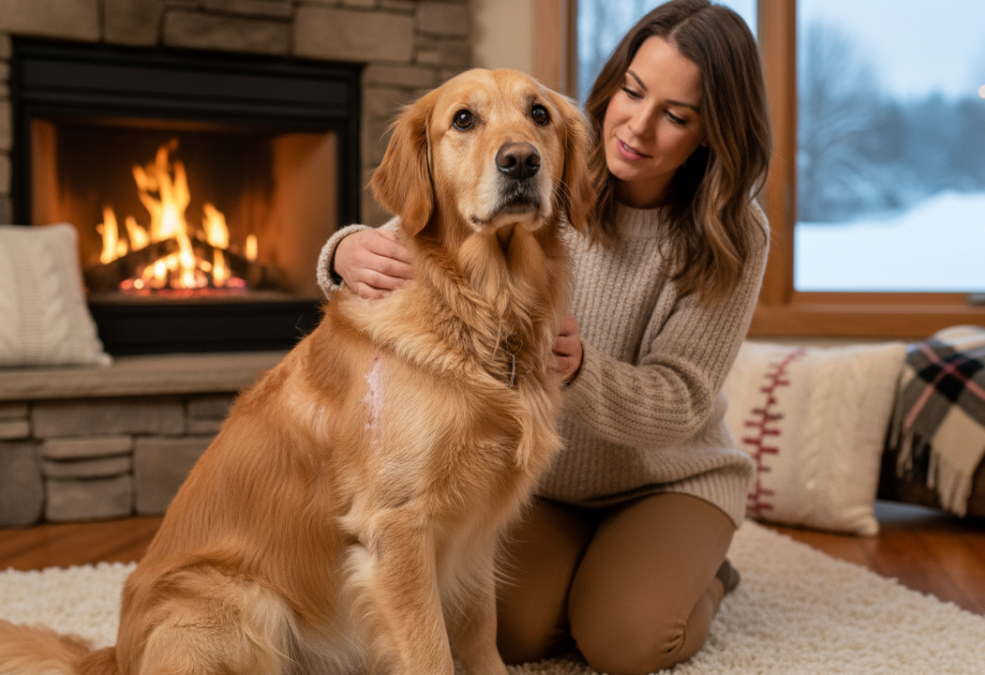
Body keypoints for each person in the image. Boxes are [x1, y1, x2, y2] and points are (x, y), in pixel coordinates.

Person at [316, 1, 771, 673]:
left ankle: (704, 574)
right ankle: (601, 572)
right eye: (633, 93)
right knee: (503, 634)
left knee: (624, 641)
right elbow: (414, 232)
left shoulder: (734, 233)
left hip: (666, 479)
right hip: (546, 482)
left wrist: (582, 371)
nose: (638, 128)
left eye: (676, 115)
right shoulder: (545, 160)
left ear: (713, 134)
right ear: (613, 82)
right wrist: (345, 251)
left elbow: (685, 401)